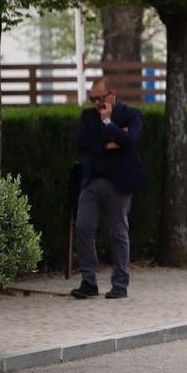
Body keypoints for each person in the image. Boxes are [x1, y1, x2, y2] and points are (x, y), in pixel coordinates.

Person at [70, 78, 148, 300]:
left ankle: (120, 283)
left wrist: (107, 124)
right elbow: (81, 143)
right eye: (92, 99)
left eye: (100, 98)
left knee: (118, 232)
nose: (96, 103)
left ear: (112, 94)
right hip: (93, 180)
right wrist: (110, 143)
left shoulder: (131, 114)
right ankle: (88, 281)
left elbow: (131, 140)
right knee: (84, 227)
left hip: (119, 182)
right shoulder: (87, 116)